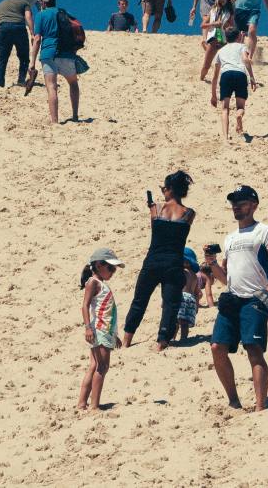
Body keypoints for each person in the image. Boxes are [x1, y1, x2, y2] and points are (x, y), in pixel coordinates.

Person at [203, 185, 268, 412]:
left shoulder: (265, 231)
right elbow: (225, 278)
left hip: (255, 298)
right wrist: (211, 262)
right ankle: (233, 400)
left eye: (241, 203)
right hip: (232, 298)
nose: (236, 207)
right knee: (217, 347)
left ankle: (260, 407)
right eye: (233, 203)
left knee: (253, 349)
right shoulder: (229, 238)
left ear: (254, 205)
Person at [123, 171, 196, 351]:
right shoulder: (189, 213)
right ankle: (162, 342)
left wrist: (152, 207)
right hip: (174, 263)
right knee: (170, 304)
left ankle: (126, 341)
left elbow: (156, 229)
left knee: (139, 301)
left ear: (170, 189)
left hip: (153, 261)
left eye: (164, 188)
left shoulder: (155, 208)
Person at [78, 248, 123, 411]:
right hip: (100, 329)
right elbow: (85, 306)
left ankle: (82, 403)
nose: (113, 272)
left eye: (114, 269)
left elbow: (108, 312)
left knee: (94, 365)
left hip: (105, 330)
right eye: (110, 268)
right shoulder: (94, 283)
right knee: (102, 367)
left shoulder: (101, 284)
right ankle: (94, 405)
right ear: (99, 265)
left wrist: (114, 335)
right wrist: (87, 327)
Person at [29, 0, 80, 124]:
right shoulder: (64, 13)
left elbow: (37, 39)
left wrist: (32, 62)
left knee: (51, 87)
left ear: (43, 3)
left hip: (48, 53)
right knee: (73, 83)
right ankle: (75, 115)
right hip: (66, 52)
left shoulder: (41, 15)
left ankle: (55, 121)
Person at [211, 27, 257, 141]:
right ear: (238, 37)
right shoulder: (242, 46)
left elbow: (215, 76)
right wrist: (252, 77)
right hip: (240, 74)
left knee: (225, 108)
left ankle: (225, 137)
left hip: (226, 75)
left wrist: (213, 95)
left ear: (226, 38)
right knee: (240, 107)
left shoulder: (220, 51)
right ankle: (239, 115)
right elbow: (245, 60)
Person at [0, 0, 34, 87]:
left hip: (3, 29)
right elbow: (28, 17)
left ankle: (0, 84)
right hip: (18, 28)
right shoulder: (24, 3)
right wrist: (32, 32)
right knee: (24, 57)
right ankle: (21, 80)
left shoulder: (0, 4)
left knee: (2, 59)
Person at [198, 0, 235, 81]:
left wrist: (228, 28)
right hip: (213, 41)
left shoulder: (229, 12)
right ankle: (201, 79)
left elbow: (231, 27)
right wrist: (213, 24)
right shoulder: (212, 11)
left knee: (226, 65)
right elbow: (202, 25)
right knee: (206, 65)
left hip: (223, 41)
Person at [177, 249, 201, 342]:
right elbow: (197, 293)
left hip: (182, 297)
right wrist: (197, 306)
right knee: (185, 322)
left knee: (176, 320)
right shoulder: (195, 276)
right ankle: (184, 338)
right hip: (192, 299)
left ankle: (172, 338)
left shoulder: (183, 272)